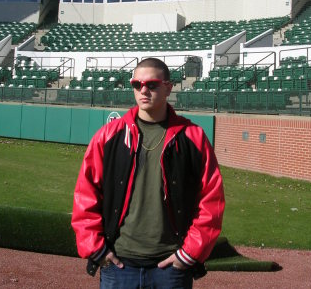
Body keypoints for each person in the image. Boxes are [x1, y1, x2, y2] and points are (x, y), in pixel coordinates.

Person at [72, 58, 225, 289]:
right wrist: (97, 249)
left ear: (168, 87)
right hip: (118, 264)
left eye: (152, 84)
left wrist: (189, 254)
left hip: (170, 268)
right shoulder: (108, 136)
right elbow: (86, 195)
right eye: (137, 84)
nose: (143, 90)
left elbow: (211, 201)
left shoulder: (193, 137)